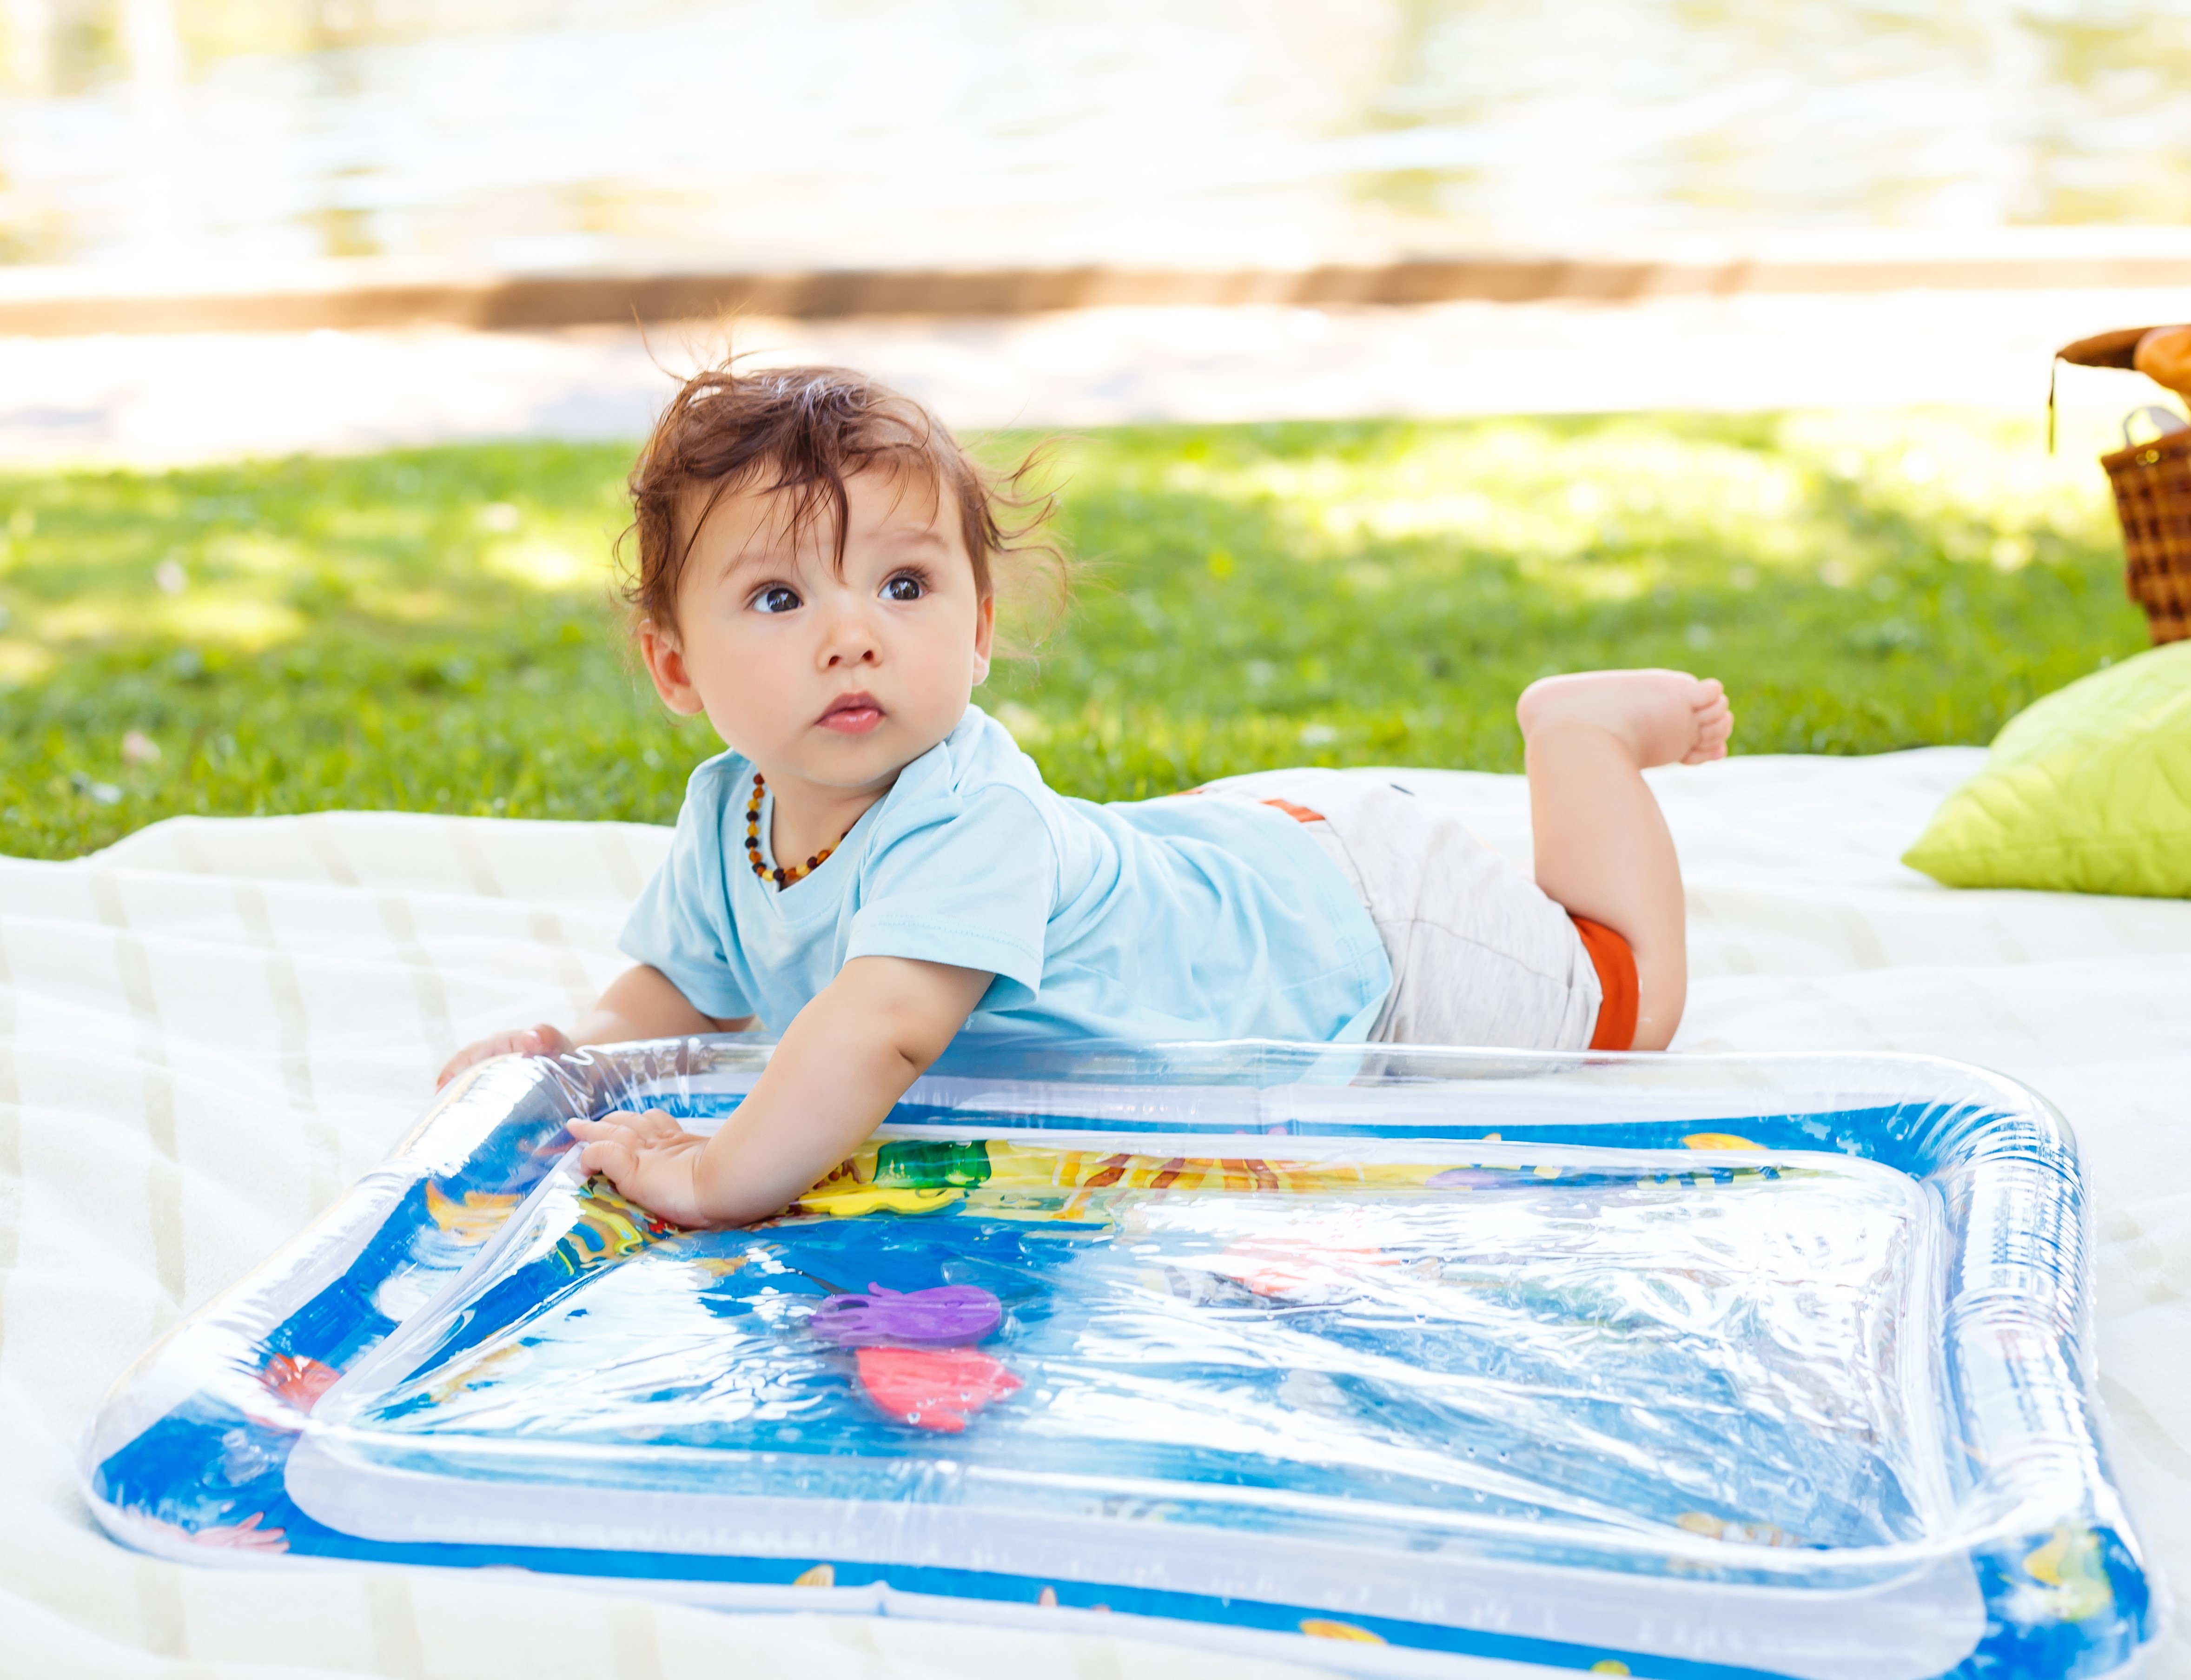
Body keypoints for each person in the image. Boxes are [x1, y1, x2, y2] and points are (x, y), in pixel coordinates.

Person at [438, 363, 1734, 1229]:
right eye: (780, 599)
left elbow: (878, 1029)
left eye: (902, 586)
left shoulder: (962, 819)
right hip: (1217, 870)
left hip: (1358, 929)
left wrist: (721, 1176)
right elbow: (680, 987)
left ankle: (1581, 740)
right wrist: (576, 1055)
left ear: (981, 625)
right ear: (675, 666)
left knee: (1616, 1009)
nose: (852, 636)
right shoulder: (734, 814)